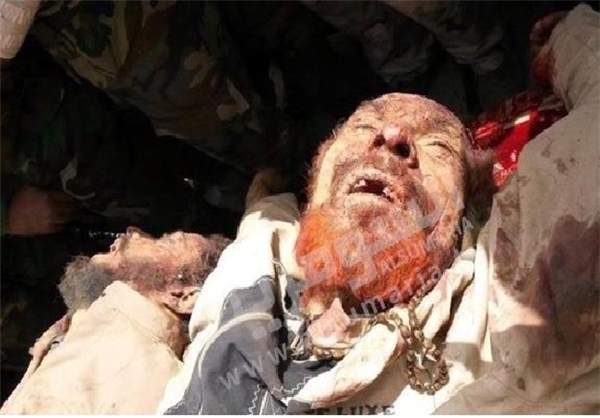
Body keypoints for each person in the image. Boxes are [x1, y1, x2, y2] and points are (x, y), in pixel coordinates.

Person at [158, 3, 599, 414]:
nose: (390, 135)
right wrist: (266, 191)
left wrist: (567, 37)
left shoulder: (521, 292)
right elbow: (267, 222)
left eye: (438, 145)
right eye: (363, 126)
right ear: (316, 182)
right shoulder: (260, 261)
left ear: (472, 206)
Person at [0, 226, 231, 414]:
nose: (133, 231)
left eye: (166, 241)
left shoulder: (150, 384)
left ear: (182, 296)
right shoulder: (81, 336)